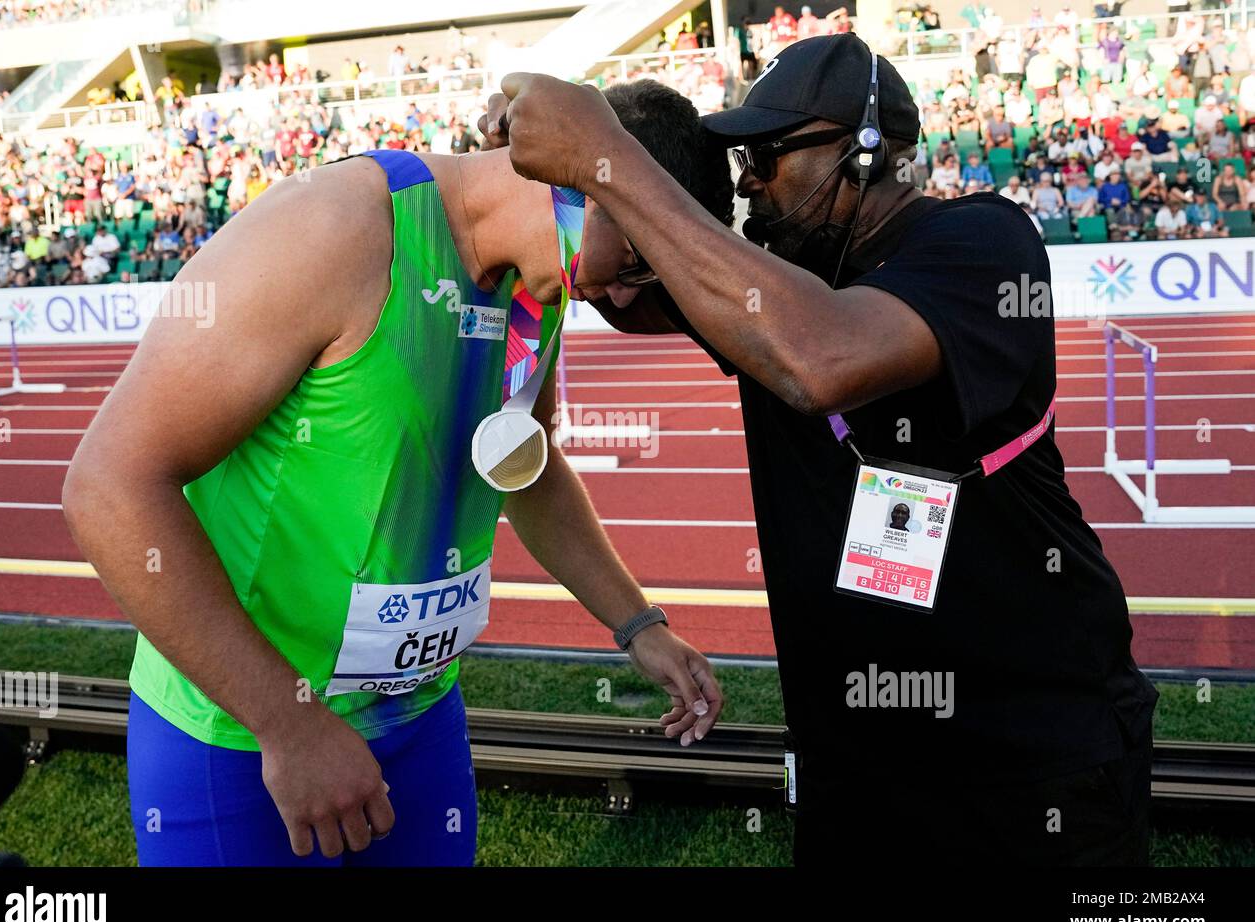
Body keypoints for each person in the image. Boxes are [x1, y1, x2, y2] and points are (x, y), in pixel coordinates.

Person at [489, 33, 1157, 866]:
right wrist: (547, 180)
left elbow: (819, 362)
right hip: (854, 757)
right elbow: (620, 285)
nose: (748, 182)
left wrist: (608, 160)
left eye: (768, 155)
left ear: (868, 152)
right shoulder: (769, 288)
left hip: (1025, 752)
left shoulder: (983, 244)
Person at [64, 102, 726, 866]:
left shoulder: (535, 287)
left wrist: (638, 623)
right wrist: (291, 725)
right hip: (243, 734)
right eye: (639, 258)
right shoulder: (334, 229)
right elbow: (110, 485)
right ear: (585, 179)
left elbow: (521, 461)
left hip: (418, 714)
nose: (619, 296)